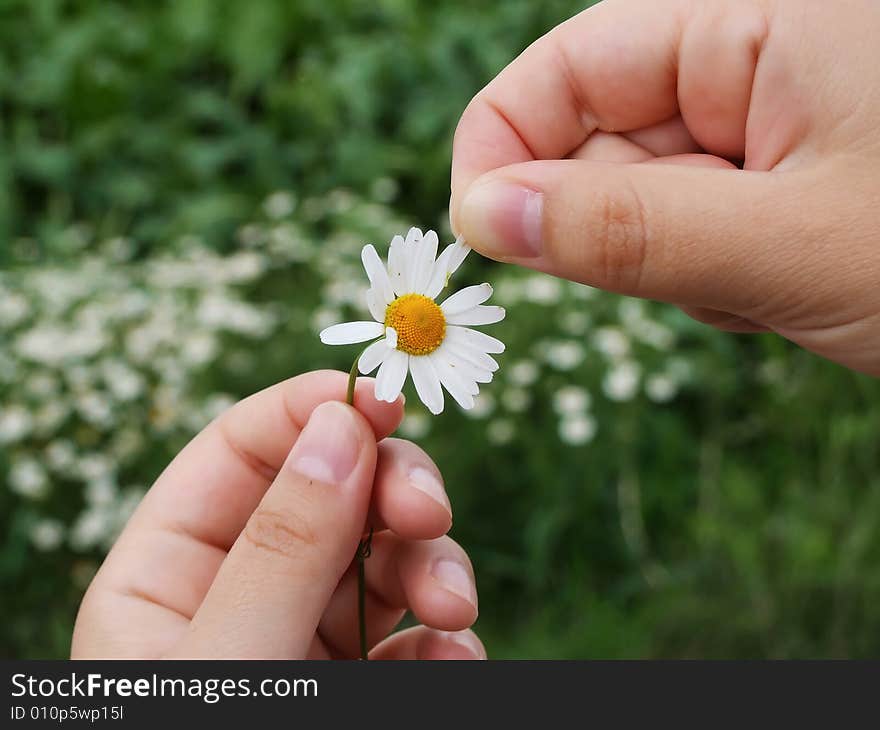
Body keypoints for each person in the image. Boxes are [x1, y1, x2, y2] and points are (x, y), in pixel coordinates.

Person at [74, 0, 880, 658]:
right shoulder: (402, 329)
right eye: (408, 317)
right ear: (394, 315)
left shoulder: (430, 322)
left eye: (419, 318)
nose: (415, 319)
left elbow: (466, 324)